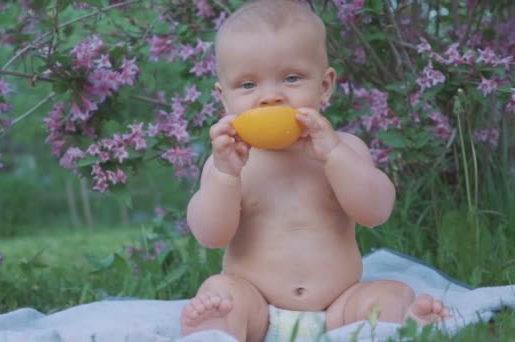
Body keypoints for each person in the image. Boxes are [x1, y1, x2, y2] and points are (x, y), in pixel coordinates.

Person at [179, 0, 452, 341]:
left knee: (391, 293)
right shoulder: (229, 162)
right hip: (258, 308)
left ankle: (408, 322)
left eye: (291, 78)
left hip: (340, 307)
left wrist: (334, 155)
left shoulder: (345, 149)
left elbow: (376, 212)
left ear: (324, 87)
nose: (270, 97)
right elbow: (210, 235)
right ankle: (217, 330)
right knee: (221, 292)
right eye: (248, 85)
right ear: (224, 97)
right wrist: (225, 177)